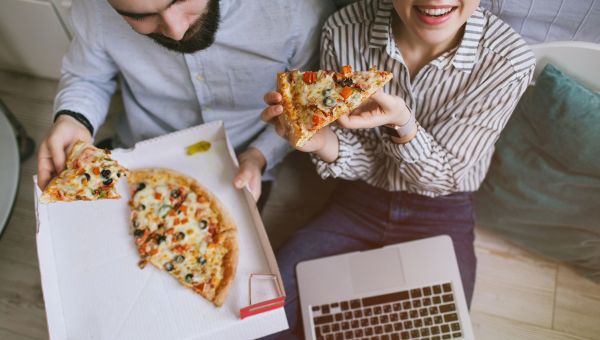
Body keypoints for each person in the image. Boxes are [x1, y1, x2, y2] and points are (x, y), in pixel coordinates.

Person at [261, 0, 536, 337]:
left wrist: (404, 124)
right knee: (263, 315)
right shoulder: (343, 29)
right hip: (357, 199)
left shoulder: (509, 61)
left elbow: (444, 179)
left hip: (442, 210)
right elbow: (358, 155)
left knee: (425, 328)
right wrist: (319, 143)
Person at [37, 0, 335, 205]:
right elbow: (88, 77)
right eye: (141, 16)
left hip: (242, 159)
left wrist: (259, 156)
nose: (176, 30)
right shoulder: (93, 8)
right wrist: (73, 118)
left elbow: (305, 108)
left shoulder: (298, 11)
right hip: (138, 150)